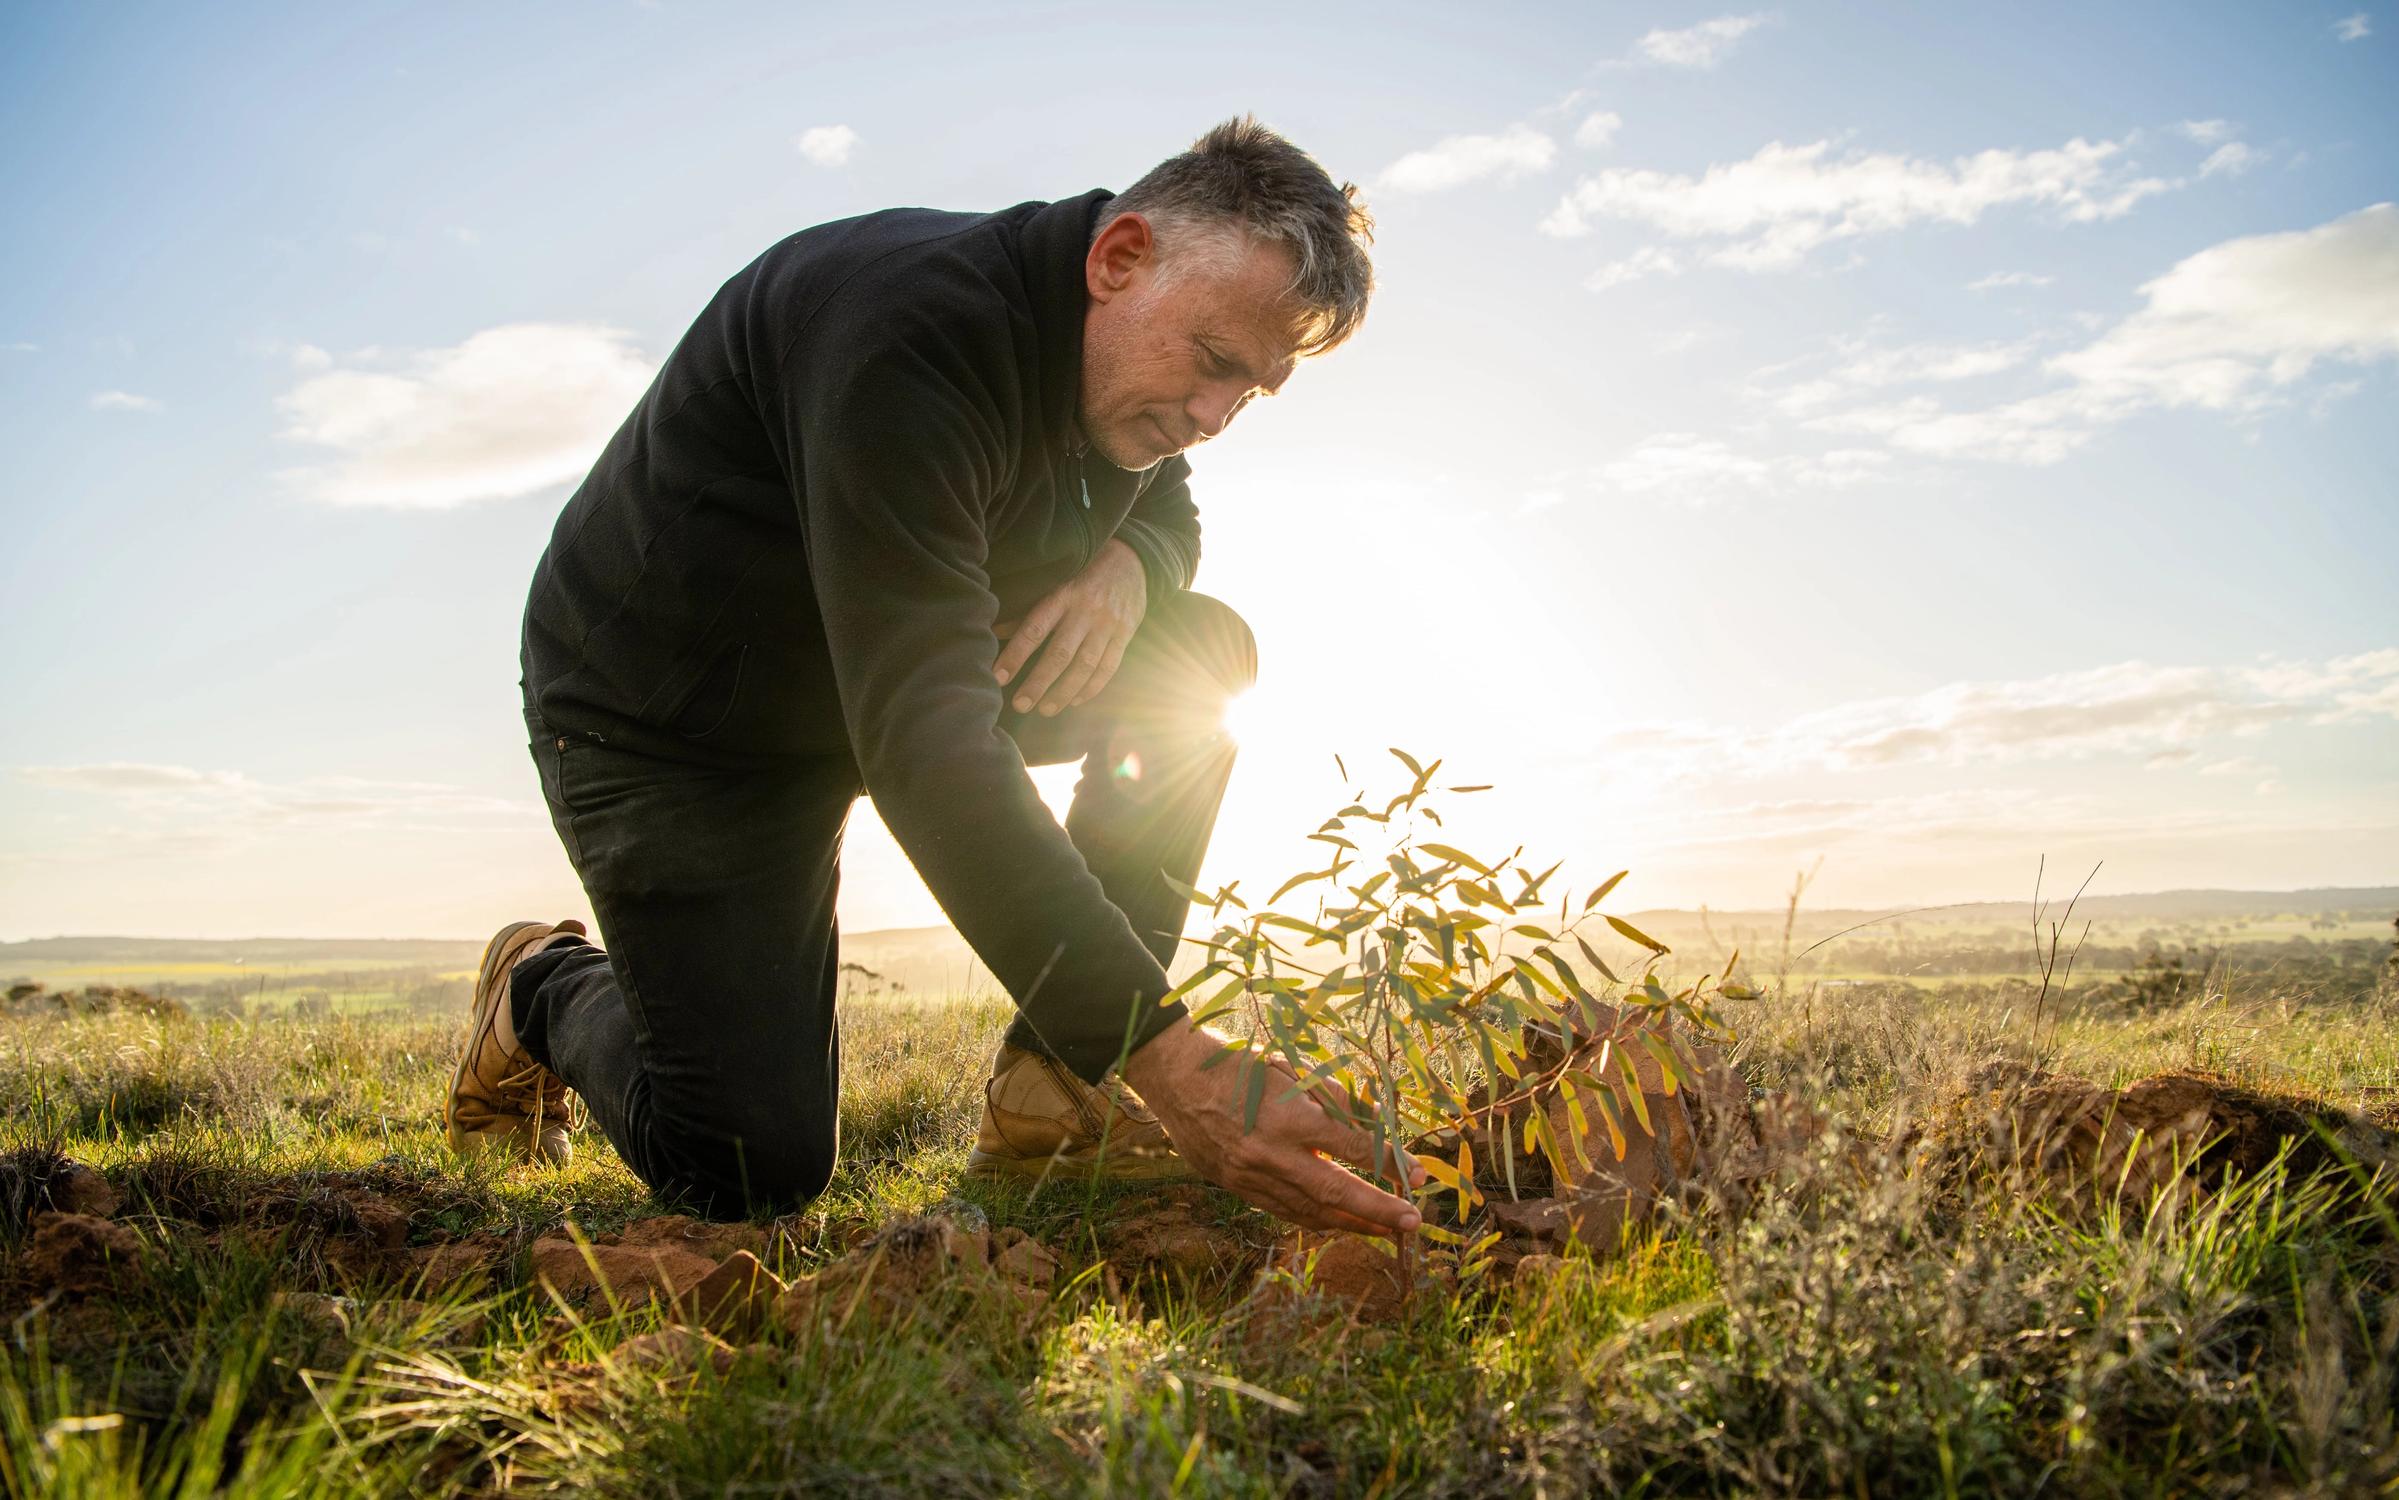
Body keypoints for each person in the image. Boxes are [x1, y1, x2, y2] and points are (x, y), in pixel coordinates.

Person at [444, 116, 1422, 1241]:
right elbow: (927, 743)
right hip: (677, 719)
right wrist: (1169, 1057)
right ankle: (543, 986)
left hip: (880, 682)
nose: (1210, 420)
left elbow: (1167, 501)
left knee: (1197, 651)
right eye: (1210, 364)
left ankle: (1053, 1090)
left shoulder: (1117, 372)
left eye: (1248, 393)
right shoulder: (904, 335)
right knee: (748, 1170)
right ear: (1120, 259)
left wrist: (1129, 566)